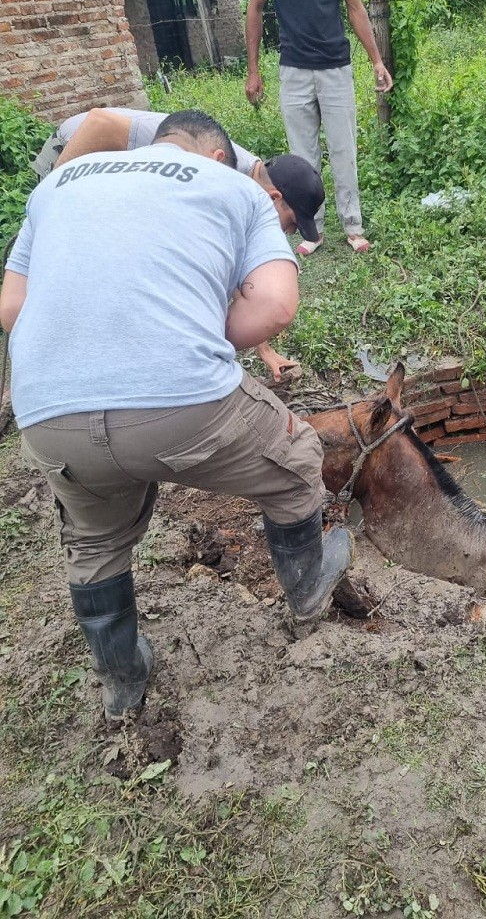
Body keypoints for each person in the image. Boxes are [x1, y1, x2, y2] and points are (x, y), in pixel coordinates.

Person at [1, 110, 353, 722]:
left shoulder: (59, 183)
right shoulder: (238, 188)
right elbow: (272, 306)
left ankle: (121, 681)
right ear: (219, 157)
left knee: (94, 538)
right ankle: (306, 594)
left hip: (48, 415)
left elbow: (12, 308)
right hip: (183, 406)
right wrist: (175, 335)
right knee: (296, 459)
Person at [32, 106, 327, 382]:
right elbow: (100, 122)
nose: (286, 234)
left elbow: (236, 274)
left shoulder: (240, 185)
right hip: (76, 147)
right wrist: (51, 199)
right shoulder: (216, 163)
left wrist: (265, 351)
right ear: (274, 197)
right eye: (290, 224)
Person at [245, 0, 393, 257]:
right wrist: (253, 71)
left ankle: (353, 226)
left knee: (344, 150)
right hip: (294, 68)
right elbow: (255, 7)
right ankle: (314, 230)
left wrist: (376, 60)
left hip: (336, 67)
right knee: (302, 158)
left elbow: (354, 6)